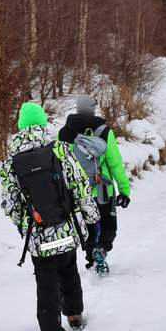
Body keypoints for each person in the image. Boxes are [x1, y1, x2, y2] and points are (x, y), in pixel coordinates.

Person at [0, 101, 99, 331]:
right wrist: (90, 216)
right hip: (66, 229)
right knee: (69, 274)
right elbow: (80, 185)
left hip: (39, 236)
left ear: (20, 127)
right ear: (44, 123)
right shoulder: (62, 151)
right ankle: (74, 316)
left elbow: (11, 204)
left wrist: (26, 226)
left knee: (46, 285)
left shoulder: (10, 163)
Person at [58, 95, 133, 276]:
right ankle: (101, 250)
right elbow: (115, 164)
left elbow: (60, 163)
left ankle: (91, 259)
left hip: (78, 191)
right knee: (109, 227)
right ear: (93, 109)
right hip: (103, 189)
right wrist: (124, 190)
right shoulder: (105, 132)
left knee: (90, 227)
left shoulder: (64, 133)